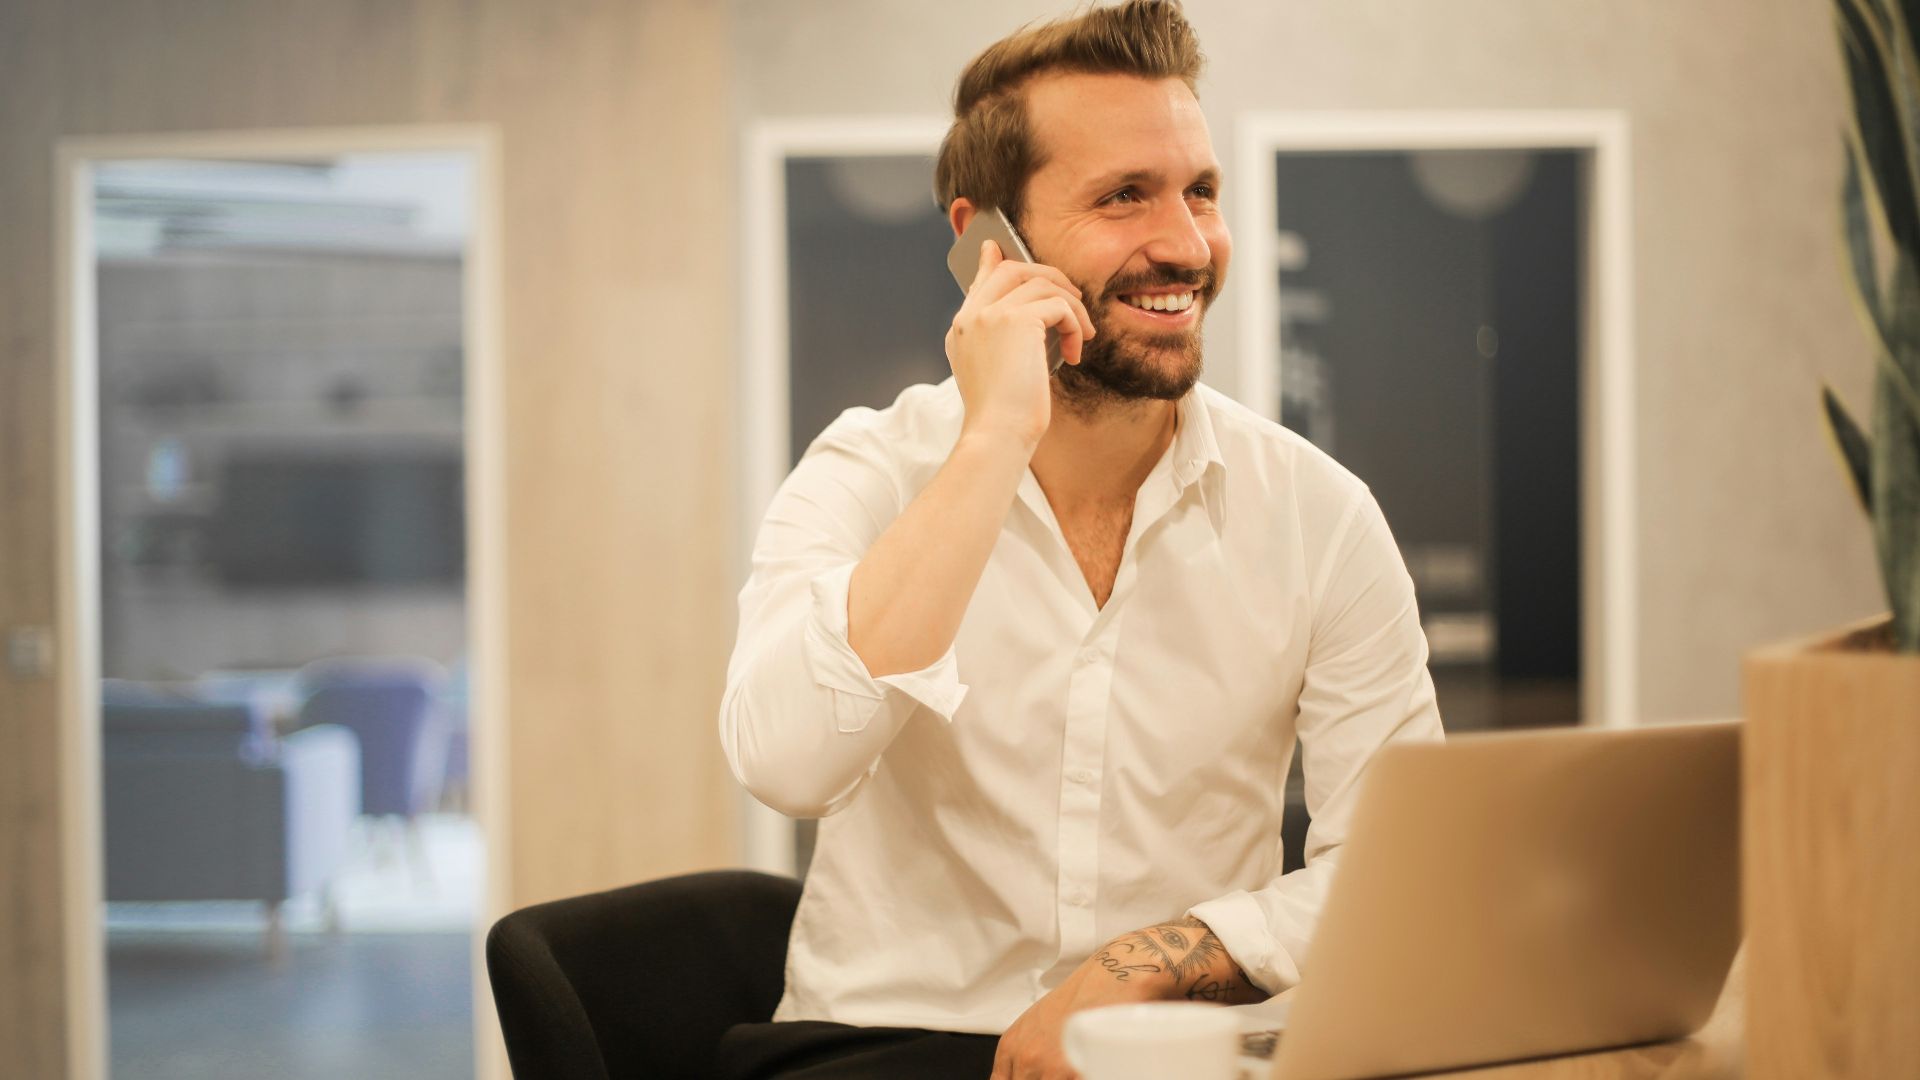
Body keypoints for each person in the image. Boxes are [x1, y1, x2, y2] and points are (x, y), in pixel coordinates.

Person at [717, 2, 1442, 1077]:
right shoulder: (870, 471)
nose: (1187, 246)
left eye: (1200, 191)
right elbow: (784, 763)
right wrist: (995, 439)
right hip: (884, 1046)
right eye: (1124, 198)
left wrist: (1148, 964)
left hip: (1175, 1047)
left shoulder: (1319, 516)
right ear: (985, 240)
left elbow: (1398, 874)